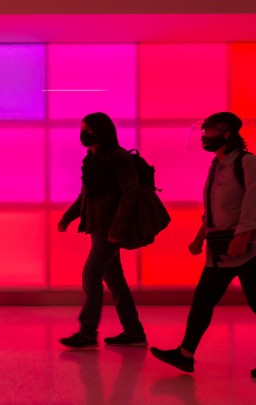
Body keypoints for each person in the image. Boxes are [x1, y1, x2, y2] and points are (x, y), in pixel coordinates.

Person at [151, 112, 256, 376]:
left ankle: (185, 353)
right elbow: (214, 208)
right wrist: (200, 236)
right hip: (220, 250)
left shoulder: (247, 162)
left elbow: (253, 201)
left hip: (247, 249)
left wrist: (243, 235)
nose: (204, 137)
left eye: (209, 132)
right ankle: (185, 354)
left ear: (227, 133)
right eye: (204, 131)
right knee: (202, 301)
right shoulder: (217, 165)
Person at [58, 112, 148, 349]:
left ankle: (87, 333)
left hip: (110, 229)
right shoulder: (92, 158)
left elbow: (130, 195)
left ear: (101, 131)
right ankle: (134, 332)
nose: (83, 133)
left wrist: (117, 229)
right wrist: (69, 216)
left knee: (90, 276)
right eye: (82, 128)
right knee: (115, 281)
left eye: (87, 129)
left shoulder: (118, 158)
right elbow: (86, 195)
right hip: (98, 227)